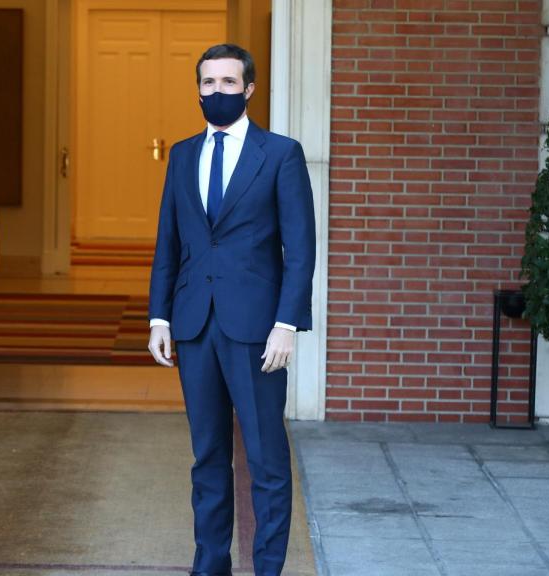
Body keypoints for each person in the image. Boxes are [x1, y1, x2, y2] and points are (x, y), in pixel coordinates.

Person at [147, 43, 315, 576]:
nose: (215, 92)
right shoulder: (181, 155)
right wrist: (159, 317)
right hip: (194, 324)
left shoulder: (281, 154)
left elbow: (301, 249)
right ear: (198, 89)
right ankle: (210, 565)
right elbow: (168, 244)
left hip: (258, 330)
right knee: (208, 457)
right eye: (207, 83)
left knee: (266, 460)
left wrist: (287, 323)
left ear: (249, 89)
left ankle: (268, 568)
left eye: (227, 83)